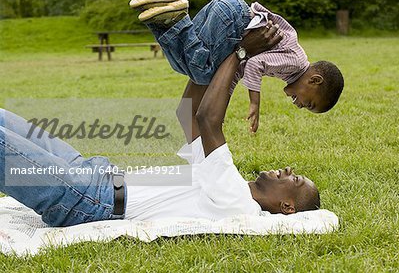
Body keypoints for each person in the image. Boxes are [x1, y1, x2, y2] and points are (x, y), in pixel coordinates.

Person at [0, 23, 320, 228]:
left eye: (297, 180)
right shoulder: (223, 181)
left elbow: (209, 120)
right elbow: (189, 116)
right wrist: (222, 51)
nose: (290, 170)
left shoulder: (237, 202)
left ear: (287, 207)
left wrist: (240, 52)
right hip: (92, 173)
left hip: (83, 198)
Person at [129, 0, 344, 132]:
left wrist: (220, 102)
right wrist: (254, 102)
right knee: (202, 72)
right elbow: (252, 65)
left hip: (226, 11)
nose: (298, 105)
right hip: (234, 20)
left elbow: (236, 69)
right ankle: (179, 20)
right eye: (308, 103)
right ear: (315, 80)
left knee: (183, 66)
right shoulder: (295, 62)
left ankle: (165, 15)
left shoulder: (288, 68)